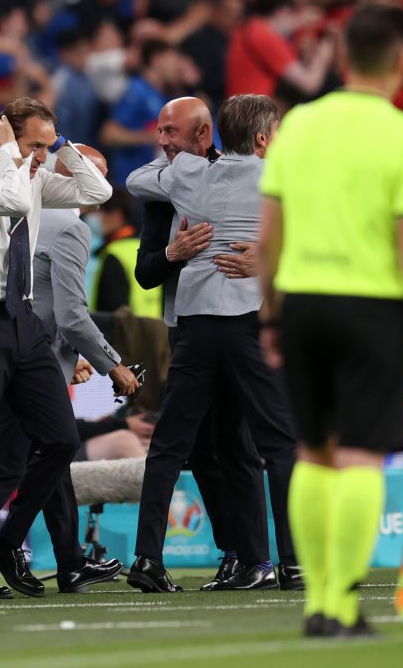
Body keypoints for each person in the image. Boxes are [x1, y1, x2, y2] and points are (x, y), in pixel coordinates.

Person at [258, 3, 403, 637]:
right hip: (371, 306)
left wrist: (270, 317)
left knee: (314, 454)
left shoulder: (300, 126)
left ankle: (318, 602)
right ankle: (342, 602)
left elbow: (269, 235)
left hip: (303, 303)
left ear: (341, 59)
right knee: (362, 456)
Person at [0, 97, 112, 599]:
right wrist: (15, 156)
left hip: (24, 321)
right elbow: (11, 201)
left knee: (59, 438)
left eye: (45, 145)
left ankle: (5, 544)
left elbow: (97, 189)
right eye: (35, 144)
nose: (42, 156)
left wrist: (61, 147)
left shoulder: (32, 173)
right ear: (7, 136)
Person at [125, 94, 298, 594]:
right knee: (277, 444)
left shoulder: (183, 177)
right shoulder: (278, 178)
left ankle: (159, 557)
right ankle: (290, 561)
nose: (163, 143)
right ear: (264, 138)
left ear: (207, 134)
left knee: (175, 447)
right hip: (246, 322)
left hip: (197, 325)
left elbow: (135, 180)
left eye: (170, 134)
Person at [226, 0, 335, 106]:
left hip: (240, 112)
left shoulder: (246, 28)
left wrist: (299, 23)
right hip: (254, 116)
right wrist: (324, 53)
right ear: (281, 10)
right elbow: (309, 84)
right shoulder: (263, 35)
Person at [100, 39, 183, 186]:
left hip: (151, 182)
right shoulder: (136, 91)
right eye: (172, 60)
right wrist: (149, 137)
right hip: (130, 183)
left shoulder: (163, 95)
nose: (177, 66)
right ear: (156, 60)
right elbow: (108, 134)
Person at [89, 187, 161, 318]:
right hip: (154, 332)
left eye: (99, 212)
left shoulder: (114, 254)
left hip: (124, 334)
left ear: (116, 216)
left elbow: (110, 310)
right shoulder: (145, 247)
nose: (94, 218)